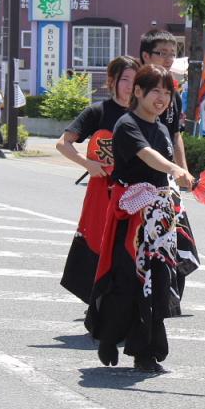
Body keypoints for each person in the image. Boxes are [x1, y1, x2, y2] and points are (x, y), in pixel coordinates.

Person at [85, 64, 195, 373]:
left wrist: (179, 178)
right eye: (155, 91)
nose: (161, 98)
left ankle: (146, 353)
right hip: (131, 216)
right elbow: (147, 155)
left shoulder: (162, 129)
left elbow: (163, 165)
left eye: (167, 92)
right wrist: (174, 168)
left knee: (158, 281)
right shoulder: (126, 124)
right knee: (126, 281)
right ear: (138, 92)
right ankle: (109, 337)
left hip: (160, 219)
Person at [57, 55, 138, 301]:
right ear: (112, 81)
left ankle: (123, 299)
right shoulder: (98, 111)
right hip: (102, 190)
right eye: (125, 79)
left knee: (130, 244)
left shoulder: (143, 113)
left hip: (136, 191)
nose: (130, 86)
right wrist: (87, 164)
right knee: (99, 239)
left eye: (135, 80)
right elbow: (63, 143)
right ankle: (98, 297)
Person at [139, 29, 199, 292]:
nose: (168, 59)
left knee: (176, 238)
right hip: (137, 181)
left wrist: (182, 170)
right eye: (161, 53)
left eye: (172, 54)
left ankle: (169, 296)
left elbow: (176, 136)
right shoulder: (135, 91)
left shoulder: (173, 94)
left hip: (166, 181)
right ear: (145, 56)